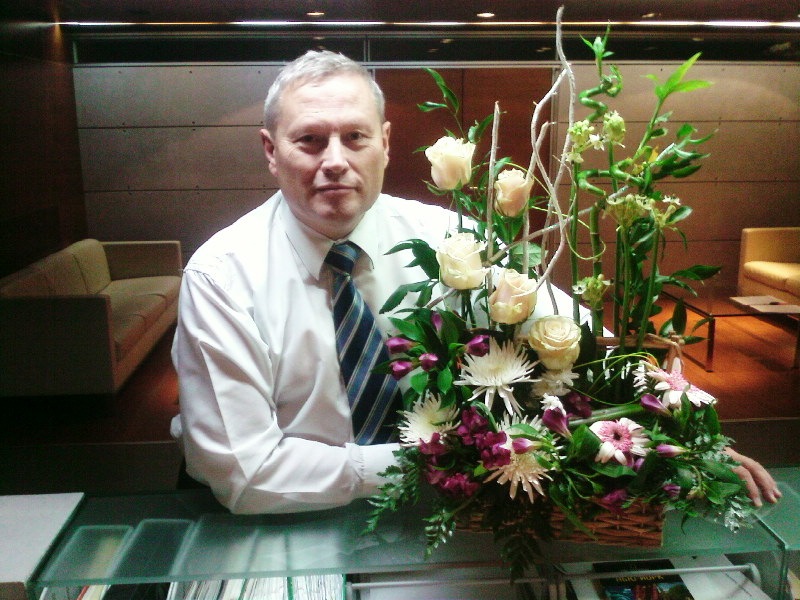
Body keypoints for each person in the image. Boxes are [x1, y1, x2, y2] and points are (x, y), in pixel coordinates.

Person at [170, 50, 781, 515]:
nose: (335, 160)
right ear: (271, 150)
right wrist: (438, 461)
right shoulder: (222, 277)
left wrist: (677, 431)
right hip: (283, 518)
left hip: (454, 512)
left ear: (385, 143)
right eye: (309, 140)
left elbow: (574, 332)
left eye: (354, 137)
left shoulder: (452, 239)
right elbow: (246, 474)